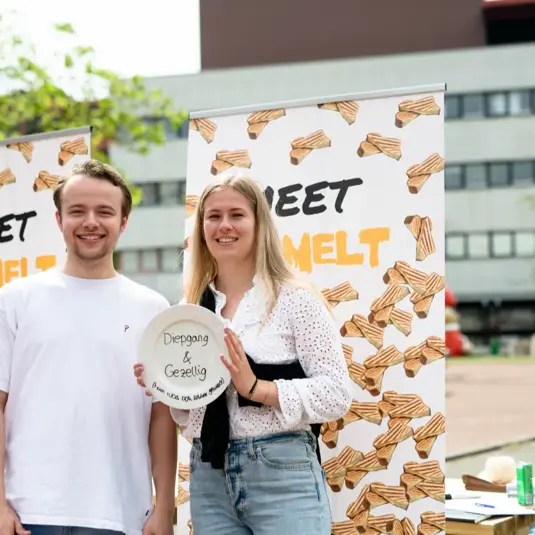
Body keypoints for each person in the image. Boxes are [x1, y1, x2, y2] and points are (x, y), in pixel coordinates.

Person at [134, 174, 353, 535]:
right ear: (201, 226)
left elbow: (336, 394)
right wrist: (168, 387)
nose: (224, 226)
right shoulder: (189, 310)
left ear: (259, 223)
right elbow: (192, 418)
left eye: (236, 214)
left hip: (283, 470)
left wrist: (257, 388)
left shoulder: (295, 300)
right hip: (209, 476)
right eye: (213, 216)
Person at [0, 160, 177, 535]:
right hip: (30, 513)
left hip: (122, 515)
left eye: (105, 212)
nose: (91, 222)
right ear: (59, 219)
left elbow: (161, 416)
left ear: (124, 222)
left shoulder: (153, 309)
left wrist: (164, 509)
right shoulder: (15, 300)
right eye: (77, 211)